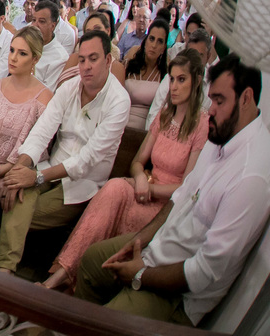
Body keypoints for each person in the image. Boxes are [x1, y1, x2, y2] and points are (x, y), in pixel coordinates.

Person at [74, 56, 270, 325]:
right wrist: (140, 240)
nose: (210, 109)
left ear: (246, 98)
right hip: (159, 248)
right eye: (211, 99)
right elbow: (182, 195)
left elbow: (203, 272)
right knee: (92, 261)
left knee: (110, 321)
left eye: (220, 100)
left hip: (178, 296)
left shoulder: (252, 177)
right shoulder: (224, 132)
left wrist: (140, 273)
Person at [45, 52, 207, 290]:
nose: (173, 86)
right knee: (114, 188)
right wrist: (141, 178)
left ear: (197, 81)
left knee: (127, 207)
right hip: (144, 186)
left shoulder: (202, 124)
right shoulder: (164, 115)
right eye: (171, 79)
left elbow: (187, 187)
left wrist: (149, 188)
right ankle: (62, 274)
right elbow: (138, 162)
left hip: (168, 204)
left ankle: (93, 283)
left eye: (181, 80)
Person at [0, 29, 130, 274]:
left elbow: (88, 160)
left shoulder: (119, 101)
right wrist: (21, 169)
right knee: (13, 192)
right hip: (49, 167)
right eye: (82, 59)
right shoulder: (69, 88)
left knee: (17, 209)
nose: (85, 66)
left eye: (93, 59)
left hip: (82, 184)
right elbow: (41, 131)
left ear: (108, 61)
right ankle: (3, 273)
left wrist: (35, 177)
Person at [0, 26, 54, 250]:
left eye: (23, 53)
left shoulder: (44, 99)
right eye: (12, 50)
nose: (14, 58)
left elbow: (35, 151)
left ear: (35, 59)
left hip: (6, 172)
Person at [123, 17, 170, 129]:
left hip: (147, 130)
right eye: (152, 39)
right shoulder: (128, 66)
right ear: (145, 41)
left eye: (160, 41)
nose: (154, 45)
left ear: (163, 48)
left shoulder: (165, 76)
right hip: (120, 123)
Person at [31, 0, 70, 89]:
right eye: (34, 20)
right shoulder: (25, 44)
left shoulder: (59, 58)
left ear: (53, 26)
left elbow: (47, 94)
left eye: (42, 21)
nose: (35, 26)